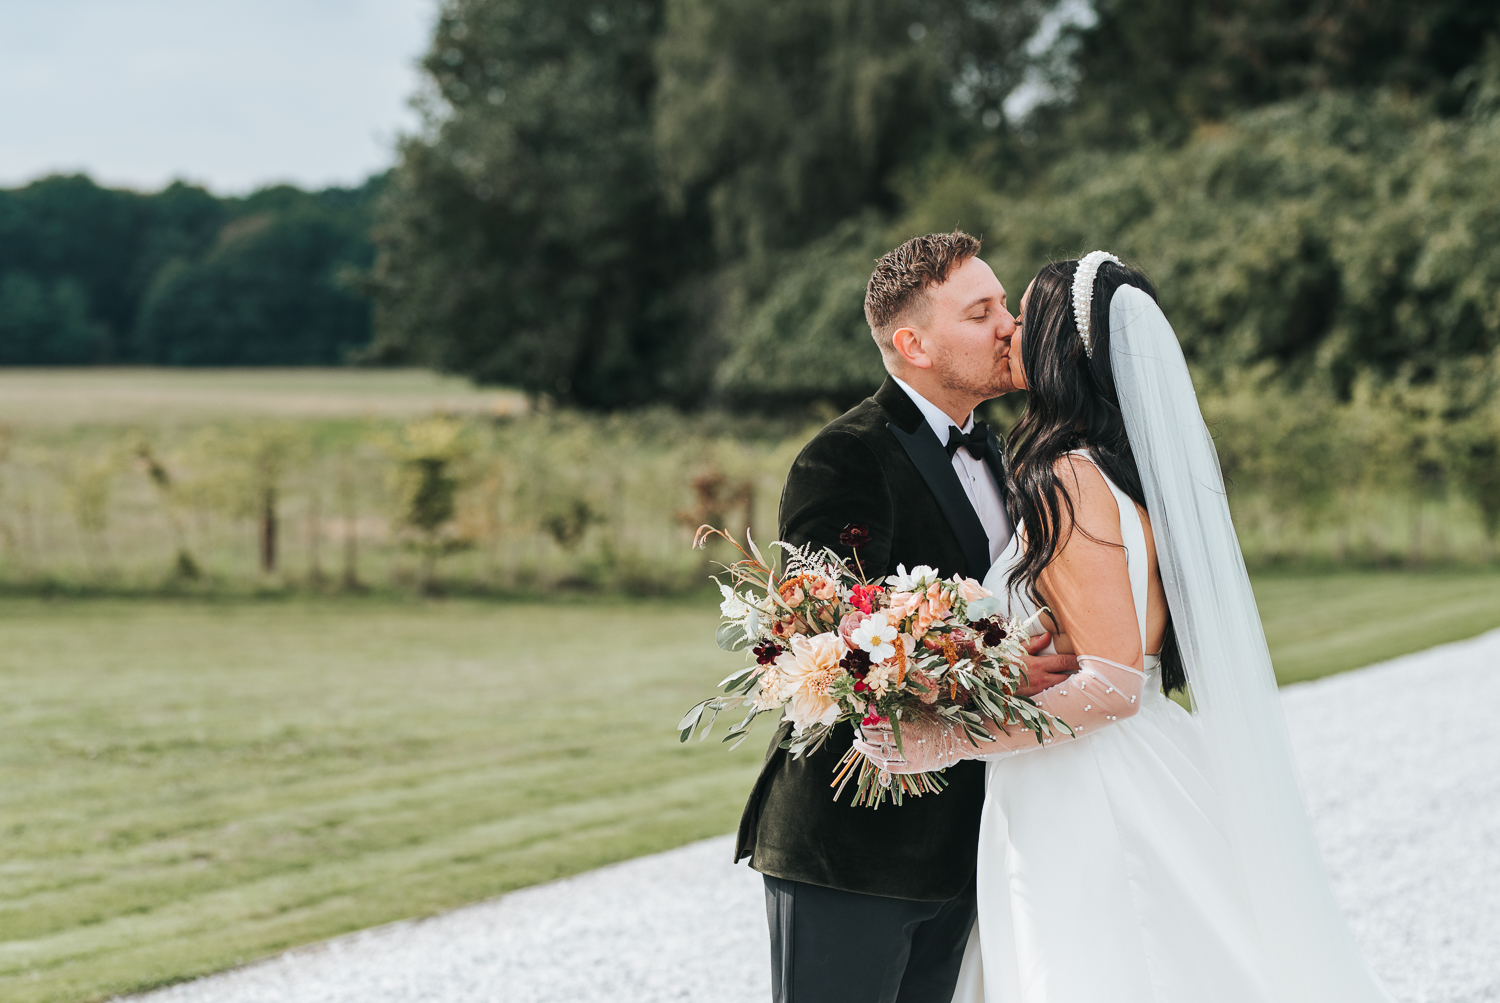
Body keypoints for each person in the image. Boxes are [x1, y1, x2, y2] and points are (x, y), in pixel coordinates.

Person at [856, 253, 1397, 1002]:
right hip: (1138, 757)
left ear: (1057, 346)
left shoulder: (1066, 478)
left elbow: (1108, 684)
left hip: (1087, 786)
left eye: (1022, 316)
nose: (1008, 330)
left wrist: (939, 741)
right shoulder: (1120, 471)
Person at [734, 231, 1080, 1003]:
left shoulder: (1000, 452)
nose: (1008, 327)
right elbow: (824, 642)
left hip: (961, 844)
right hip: (850, 845)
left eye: (1004, 306)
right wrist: (992, 675)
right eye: (981, 311)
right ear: (912, 343)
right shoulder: (845, 457)